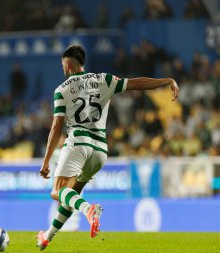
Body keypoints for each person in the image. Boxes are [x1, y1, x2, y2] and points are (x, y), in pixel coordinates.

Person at [36, 45, 179, 250]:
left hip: (78, 143)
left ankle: (88, 209)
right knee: (72, 194)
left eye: (63, 65)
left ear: (67, 65)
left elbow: (57, 126)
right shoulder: (104, 79)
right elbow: (136, 84)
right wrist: (166, 80)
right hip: (101, 151)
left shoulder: (62, 90)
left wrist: (46, 160)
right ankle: (47, 236)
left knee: (58, 191)